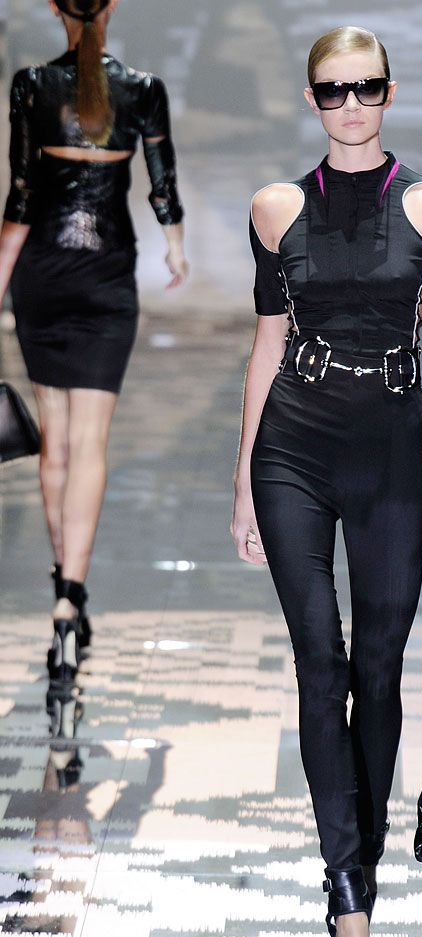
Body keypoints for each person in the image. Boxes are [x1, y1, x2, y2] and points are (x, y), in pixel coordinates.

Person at [231, 25, 422, 937]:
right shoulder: (274, 208)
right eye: (332, 90)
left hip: (393, 453)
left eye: (365, 88)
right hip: (292, 450)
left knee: (378, 670)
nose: (349, 105)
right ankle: (347, 895)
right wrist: (241, 481)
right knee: (319, 662)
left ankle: (357, 861)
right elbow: (265, 345)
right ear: (310, 99)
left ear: (389, 93)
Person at [0, 0, 188, 713]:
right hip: (107, 278)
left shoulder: (31, 84)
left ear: (55, 7)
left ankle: (64, 594)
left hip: (44, 276)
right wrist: (175, 245)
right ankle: (70, 598)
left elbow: (22, 196)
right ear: (111, 7)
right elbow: (161, 180)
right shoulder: (143, 89)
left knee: (55, 448)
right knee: (90, 445)